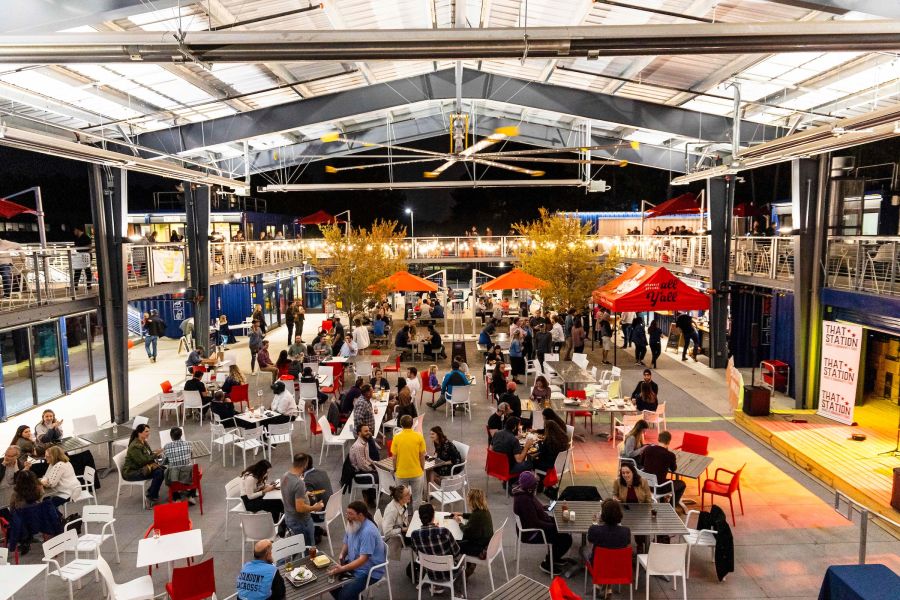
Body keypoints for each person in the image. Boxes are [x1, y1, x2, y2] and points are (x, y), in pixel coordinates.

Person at [512, 470, 572, 574]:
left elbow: (535, 508)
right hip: (531, 532)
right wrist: (553, 526)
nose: (537, 485)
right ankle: (547, 563)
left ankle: (555, 558)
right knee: (565, 539)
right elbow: (535, 523)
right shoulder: (524, 500)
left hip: (539, 523)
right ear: (530, 486)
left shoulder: (525, 492)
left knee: (562, 529)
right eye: (535, 483)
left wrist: (544, 507)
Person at [327, 501, 385, 600]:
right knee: (329, 582)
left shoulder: (368, 532)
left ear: (360, 515)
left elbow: (363, 559)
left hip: (368, 571)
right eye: (347, 513)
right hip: (353, 564)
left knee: (344, 597)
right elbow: (347, 541)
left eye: (350, 514)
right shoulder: (353, 523)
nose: (347, 516)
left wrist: (343, 568)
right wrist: (342, 555)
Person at [582, 499, 632, 599]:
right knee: (611, 556)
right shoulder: (626, 531)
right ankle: (607, 587)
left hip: (599, 566)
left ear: (602, 515)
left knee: (583, 550)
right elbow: (626, 544)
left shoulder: (594, 529)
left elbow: (590, 542)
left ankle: (600, 584)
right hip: (618, 568)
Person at [410, 503, 463, 586]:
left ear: (420, 518)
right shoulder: (444, 532)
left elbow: (418, 553)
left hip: (430, 574)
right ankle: (457, 590)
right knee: (462, 559)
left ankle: (436, 586)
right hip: (449, 573)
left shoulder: (414, 535)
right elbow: (456, 552)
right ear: (433, 516)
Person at [281, 453, 324, 546]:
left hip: (289, 517)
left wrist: (304, 494)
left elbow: (290, 493)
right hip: (301, 521)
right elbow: (300, 508)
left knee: (300, 545)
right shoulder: (299, 483)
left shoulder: (285, 476)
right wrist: (315, 507)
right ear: (305, 464)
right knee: (308, 548)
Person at [453, 487, 493, 575]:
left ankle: (457, 569)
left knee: (453, 545)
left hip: (479, 548)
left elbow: (467, 532)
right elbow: (473, 516)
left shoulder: (477, 516)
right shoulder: (484, 511)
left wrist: (459, 522)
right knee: (459, 542)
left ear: (472, 501)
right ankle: (468, 565)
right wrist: (462, 514)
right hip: (487, 543)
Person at [122, 424, 165, 506]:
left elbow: (149, 454)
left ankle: (151, 492)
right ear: (139, 433)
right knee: (159, 473)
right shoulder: (135, 446)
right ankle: (151, 497)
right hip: (131, 472)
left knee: (162, 469)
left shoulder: (143, 441)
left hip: (140, 468)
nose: (148, 433)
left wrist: (156, 453)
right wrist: (156, 454)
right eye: (146, 431)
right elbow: (143, 461)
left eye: (149, 431)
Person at [641, 430, 686, 506]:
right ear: (668, 442)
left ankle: (662, 501)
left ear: (658, 439)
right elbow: (673, 469)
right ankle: (671, 506)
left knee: (660, 479)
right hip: (659, 488)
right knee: (682, 484)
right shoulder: (670, 455)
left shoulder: (647, 449)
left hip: (645, 485)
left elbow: (642, 463)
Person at [392, 415, 426, 515]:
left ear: (401, 424)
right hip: (417, 472)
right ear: (412, 424)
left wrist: (395, 469)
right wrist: (422, 468)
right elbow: (422, 455)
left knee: (401, 499)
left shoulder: (397, 437)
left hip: (401, 473)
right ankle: (416, 518)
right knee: (417, 498)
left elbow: (394, 457)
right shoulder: (419, 436)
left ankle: (404, 518)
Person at [161, 427, 197, 504]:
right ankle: (191, 495)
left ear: (171, 436)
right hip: (188, 475)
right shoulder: (189, 444)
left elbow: (164, 462)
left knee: (168, 471)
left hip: (174, 477)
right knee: (196, 470)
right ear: (181, 435)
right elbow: (191, 456)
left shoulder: (166, 447)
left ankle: (177, 498)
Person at [301, 455, 333, 536]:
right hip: (332, 508)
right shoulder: (323, 472)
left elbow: (311, 502)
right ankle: (317, 531)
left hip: (321, 514)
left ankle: (311, 534)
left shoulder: (307, 481)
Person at [380, 484, 411, 560]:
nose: (410, 495)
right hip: (397, 538)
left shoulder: (402, 503)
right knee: (419, 538)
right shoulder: (392, 511)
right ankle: (423, 561)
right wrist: (402, 529)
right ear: (399, 498)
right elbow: (387, 532)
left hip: (403, 530)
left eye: (409, 492)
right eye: (407, 494)